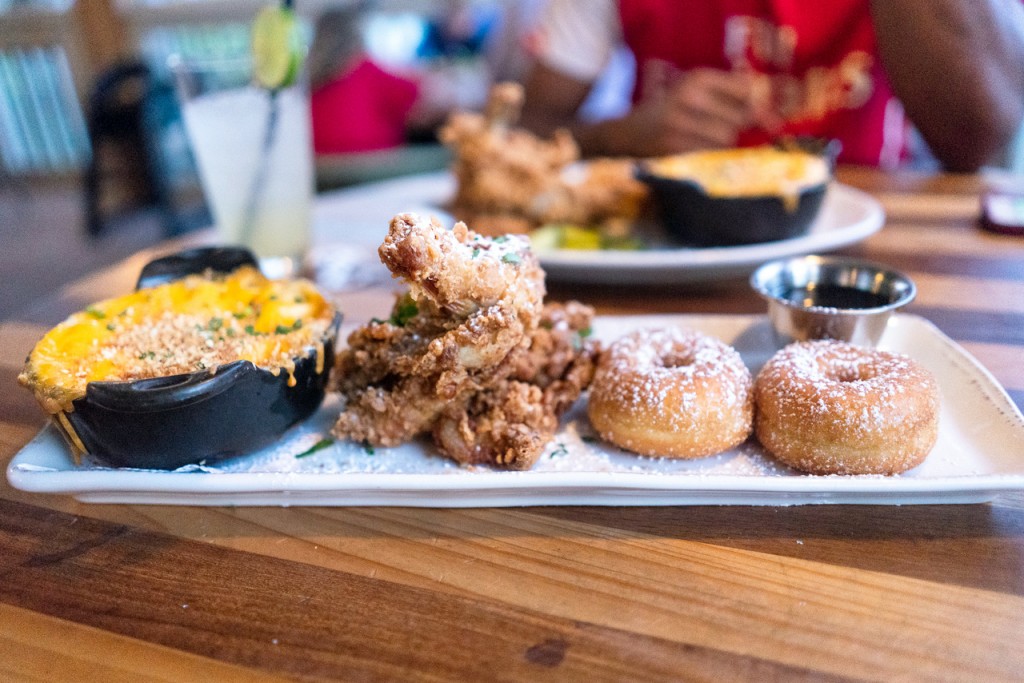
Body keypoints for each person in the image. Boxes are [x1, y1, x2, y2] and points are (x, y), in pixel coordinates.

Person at [519, 0, 1024, 171]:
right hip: (667, 243)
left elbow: (977, 140)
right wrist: (623, 136)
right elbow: (524, 130)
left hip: (863, 252)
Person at [307, 5, 421, 154]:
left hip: (320, 165)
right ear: (357, 35)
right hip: (377, 164)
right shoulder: (364, 70)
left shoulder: (306, 80)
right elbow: (416, 93)